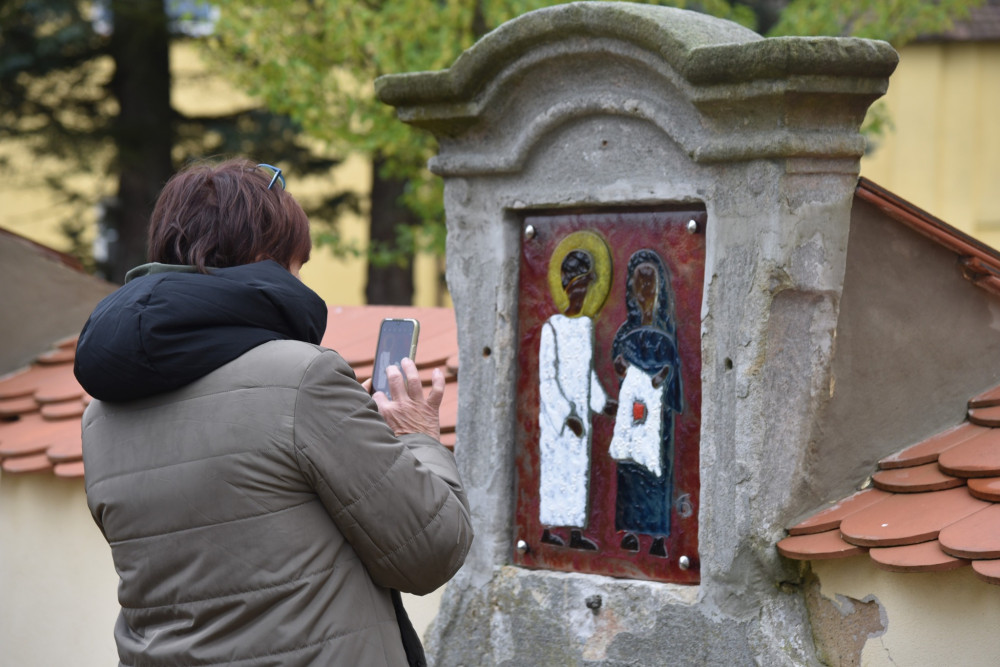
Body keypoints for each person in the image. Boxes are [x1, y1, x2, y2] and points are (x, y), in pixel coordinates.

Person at [74, 158, 473, 666]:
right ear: (263, 258)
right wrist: (417, 435)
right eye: (297, 263)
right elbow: (431, 553)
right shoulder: (302, 379)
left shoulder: (100, 414)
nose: (301, 280)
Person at [537, 246, 614, 550]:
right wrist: (565, 415)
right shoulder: (552, 328)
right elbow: (547, 378)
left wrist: (603, 403)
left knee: (577, 470)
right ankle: (548, 530)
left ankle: (574, 533)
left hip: (581, 413)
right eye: (577, 287)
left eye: (586, 287)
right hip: (558, 419)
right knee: (557, 469)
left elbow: (587, 373)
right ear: (567, 287)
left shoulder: (585, 326)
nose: (582, 293)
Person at [608, 249, 682, 556]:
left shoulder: (666, 329)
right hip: (632, 414)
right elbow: (617, 361)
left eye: (651, 282)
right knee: (631, 467)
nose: (645, 289)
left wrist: (661, 379)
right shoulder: (626, 331)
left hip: (658, 417)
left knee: (657, 469)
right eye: (640, 282)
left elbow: (673, 366)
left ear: (660, 286)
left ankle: (658, 536)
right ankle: (630, 532)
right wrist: (623, 370)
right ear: (631, 288)